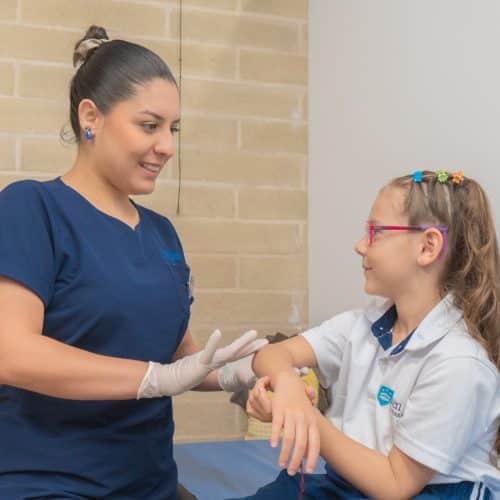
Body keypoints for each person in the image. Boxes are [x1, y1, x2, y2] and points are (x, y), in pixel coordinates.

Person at [0, 25, 266, 499]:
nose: (167, 146)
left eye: (173, 129)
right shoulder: (32, 208)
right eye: (149, 126)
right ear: (91, 117)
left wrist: (234, 372)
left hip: (149, 482)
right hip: (51, 482)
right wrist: (151, 379)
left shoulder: (161, 233)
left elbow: (179, 357)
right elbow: (12, 353)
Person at [236, 170, 500, 499]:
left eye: (375, 232)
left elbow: (395, 484)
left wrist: (306, 417)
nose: (360, 246)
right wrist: (287, 387)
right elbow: (271, 355)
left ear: (428, 246)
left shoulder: (460, 363)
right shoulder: (364, 325)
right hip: (354, 485)